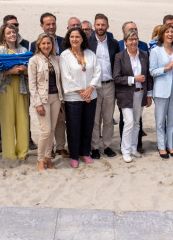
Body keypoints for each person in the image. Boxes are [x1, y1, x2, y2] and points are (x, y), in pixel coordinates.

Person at [60, 27, 101, 167]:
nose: (75, 39)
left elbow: (97, 72)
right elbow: (66, 77)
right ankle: (74, 155)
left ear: (83, 38)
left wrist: (90, 89)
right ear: (68, 38)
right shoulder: (65, 56)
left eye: (77, 37)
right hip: (73, 98)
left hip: (91, 96)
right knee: (73, 127)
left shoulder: (90, 54)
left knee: (88, 125)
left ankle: (85, 153)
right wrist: (81, 92)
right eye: (72, 37)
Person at [114, 29, 153, 163]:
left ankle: (133, 148)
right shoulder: (120, 56)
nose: (134, 42)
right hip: (125, 95)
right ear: (125, 42)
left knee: (137, 123)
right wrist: (133, 79)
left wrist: (149, 94)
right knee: (129, 122)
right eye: (130, 40)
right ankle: (125, 150)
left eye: (135, 39)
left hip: (140, 94)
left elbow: (147, 77)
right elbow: (117, 78)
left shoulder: (144, 54)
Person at [0, 23, 30, 160]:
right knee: (7, 120)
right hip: (5, 88)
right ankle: (9, 153)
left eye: (13, 32)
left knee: (22, 119)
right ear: (3, 35)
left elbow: (29, 68)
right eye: (8, 33)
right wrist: (11, 71)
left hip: (21, 87)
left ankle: (22, 152)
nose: (12, 35)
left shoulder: (23, 49)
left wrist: (25, 70)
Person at [28, 33, 63, 171]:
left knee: (52, 129)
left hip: (56, 98)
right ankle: (40, 159)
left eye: (48, 43)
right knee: (45, 130)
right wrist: (37, 103)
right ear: (39, 45)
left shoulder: (56, 59)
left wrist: (62, 100)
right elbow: (32, 84)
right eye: (43, 43)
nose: (46, 46)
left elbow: (60, 81)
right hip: (43, 99)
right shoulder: (34, 60)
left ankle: (48, 158)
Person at [87, 13, 119, 159]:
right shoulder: (87, 42)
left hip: (109, 85)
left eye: (103, 24)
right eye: (98, 25)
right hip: (93, 86)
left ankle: (107, 145)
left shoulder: (114, 43)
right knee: (94, 119)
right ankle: (94, 147)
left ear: (107, 26)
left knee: (108, 118)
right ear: (94, 26)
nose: (100, 27)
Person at [150, 23, 173, 159]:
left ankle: (170, 146)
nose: (170, 34)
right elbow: (152, 71)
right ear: (162, 34)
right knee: (161, 120)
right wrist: (167, 68)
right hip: (161, 88)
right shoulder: (156, 51)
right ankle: (161, 147)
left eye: (172, 32)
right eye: (167, 32)